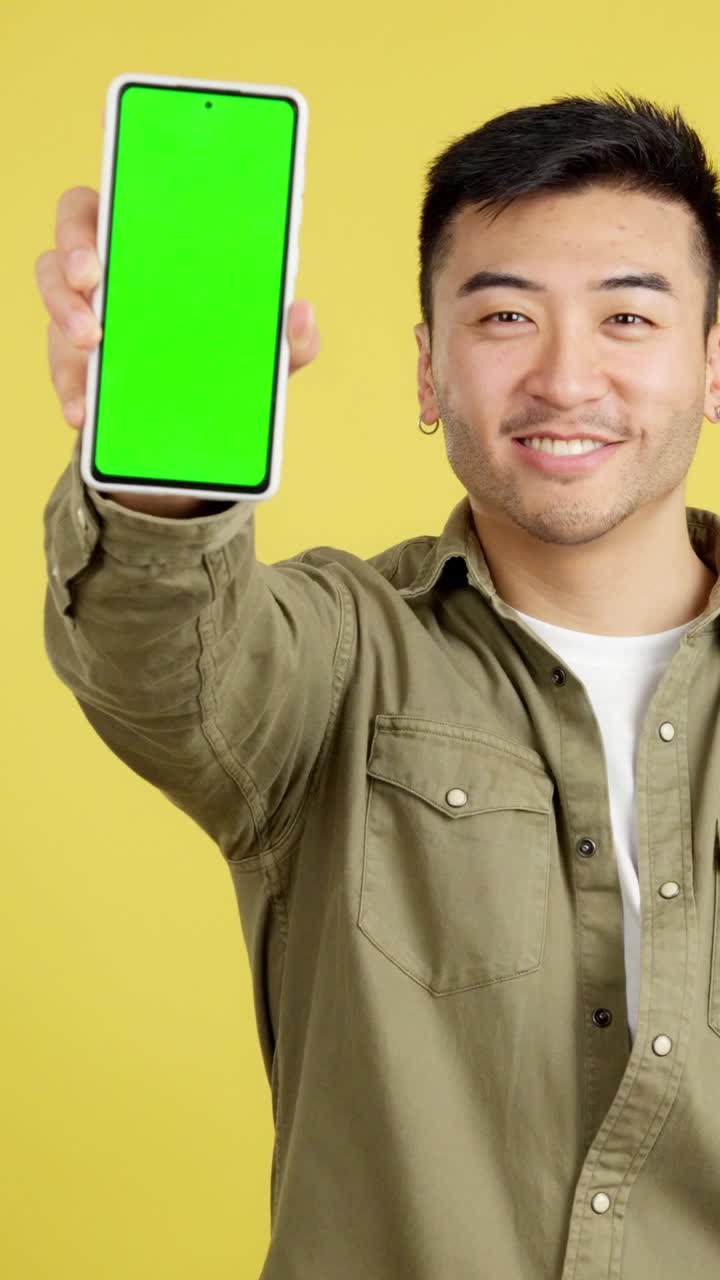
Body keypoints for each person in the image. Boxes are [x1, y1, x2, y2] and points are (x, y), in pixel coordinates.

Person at [37, 87, 720, 1278]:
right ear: (426, 373)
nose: (566, 377)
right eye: (504, 315)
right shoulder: (336, 659)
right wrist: (154, 469)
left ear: (714, 365)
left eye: (627, 317)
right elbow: (167, 661)